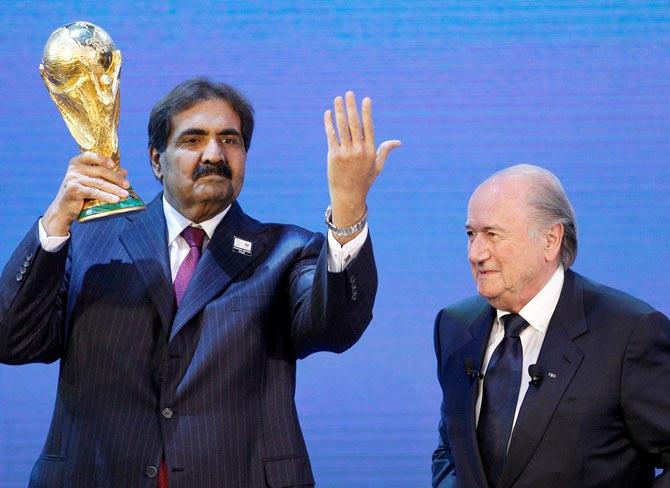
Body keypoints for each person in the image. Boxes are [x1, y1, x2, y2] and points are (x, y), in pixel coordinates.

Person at [0, 78, 400, 487]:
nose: (214, 153)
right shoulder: (90, 243)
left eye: (230, 140)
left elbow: (336, 327)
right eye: (193, 140)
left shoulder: (286, 252)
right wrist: (55, 222)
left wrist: (349, 205)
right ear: (156, 160)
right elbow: (12, 340)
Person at [432, 164, 670, 487]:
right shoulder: (455, 325)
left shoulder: (629, 334)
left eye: (492, 234)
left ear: (550, 239)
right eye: (471, 234)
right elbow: (451, 448)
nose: (475, 253)